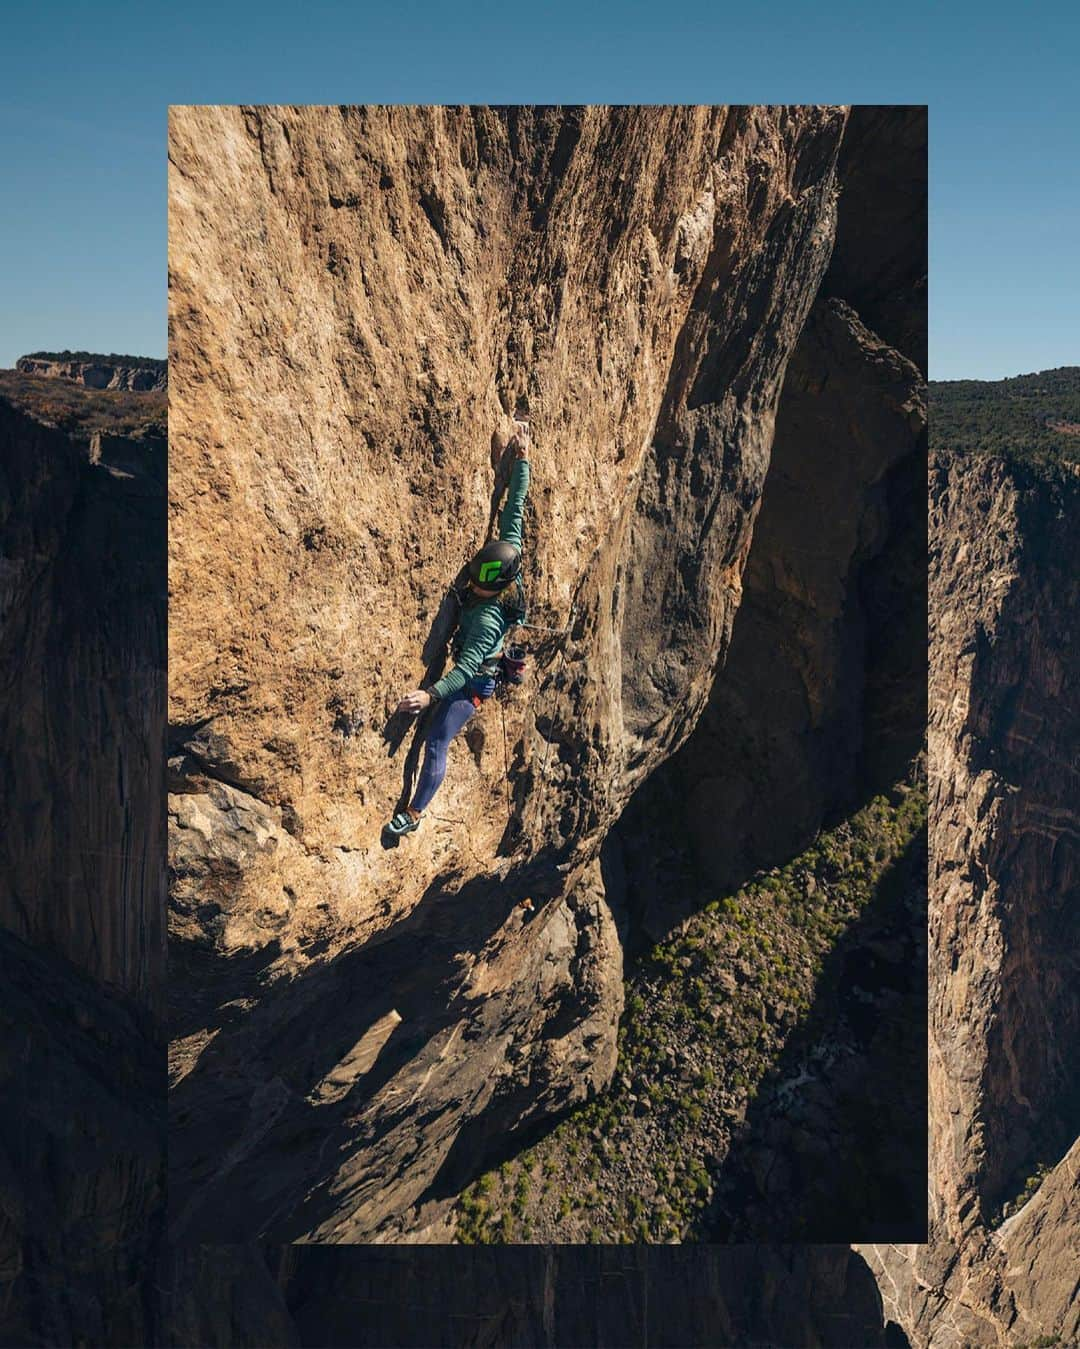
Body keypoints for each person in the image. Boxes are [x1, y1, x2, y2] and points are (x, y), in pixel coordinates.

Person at [385, 420, 531, 837]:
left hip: (473, 686)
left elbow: (466, 669)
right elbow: (514, 512)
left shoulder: (486, 620)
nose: (472, 581)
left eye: (479, 581)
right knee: (432, 736)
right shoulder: (509, 559)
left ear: (495, 586)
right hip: (472, 667)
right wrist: (522, 458)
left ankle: (414, 814)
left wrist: (428, 695)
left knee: (435, 741)